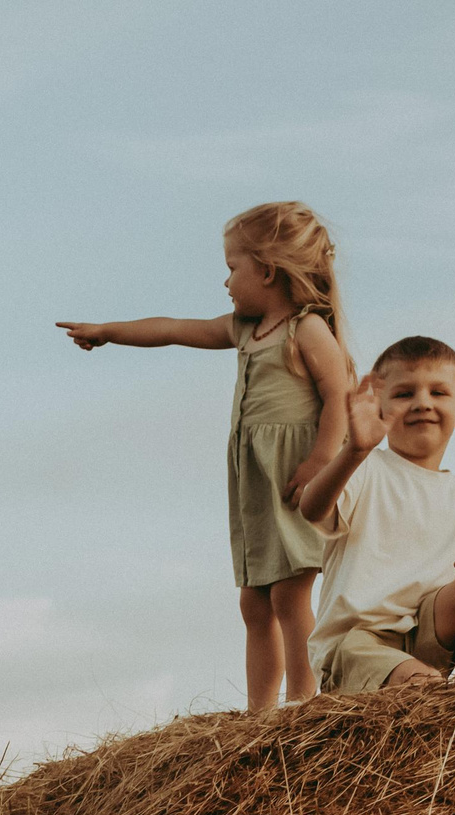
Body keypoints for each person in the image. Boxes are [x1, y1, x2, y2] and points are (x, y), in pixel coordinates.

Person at [57, 201, 354, 712]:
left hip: (294, 482)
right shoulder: (244, 330)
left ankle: (304, 703)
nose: (225, 283)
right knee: (253, 601)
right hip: (255, 482)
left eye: (231, 269)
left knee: (289, 596)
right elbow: (174, 329)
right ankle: (260, 713)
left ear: (267, 270)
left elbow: (341, 397)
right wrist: (109, 331)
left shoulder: (307, 330)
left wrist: (320, 461)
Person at [298, 336, 455, 693]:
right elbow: (312, 508)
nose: (422, 403)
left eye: (438, 392)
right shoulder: (366, 468)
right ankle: (442, 695)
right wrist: (355, 449)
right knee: (420, 683)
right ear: (378, 410)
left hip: (425, 638)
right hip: (358, 644)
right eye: (404, 394)